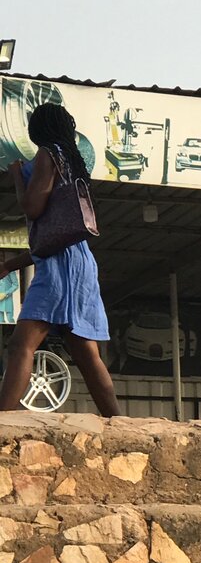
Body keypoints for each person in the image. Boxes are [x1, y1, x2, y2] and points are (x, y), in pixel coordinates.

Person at [0, 103, 120, 415]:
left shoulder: (46, 154)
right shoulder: (70, 160)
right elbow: (52, 241)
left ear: (38, 129)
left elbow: (32, 208)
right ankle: (118, 421)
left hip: (59, 268)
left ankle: (3, 421)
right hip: (78, 262)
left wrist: (16, 176)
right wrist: (10, 266)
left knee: (21, 345)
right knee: (85, 354)